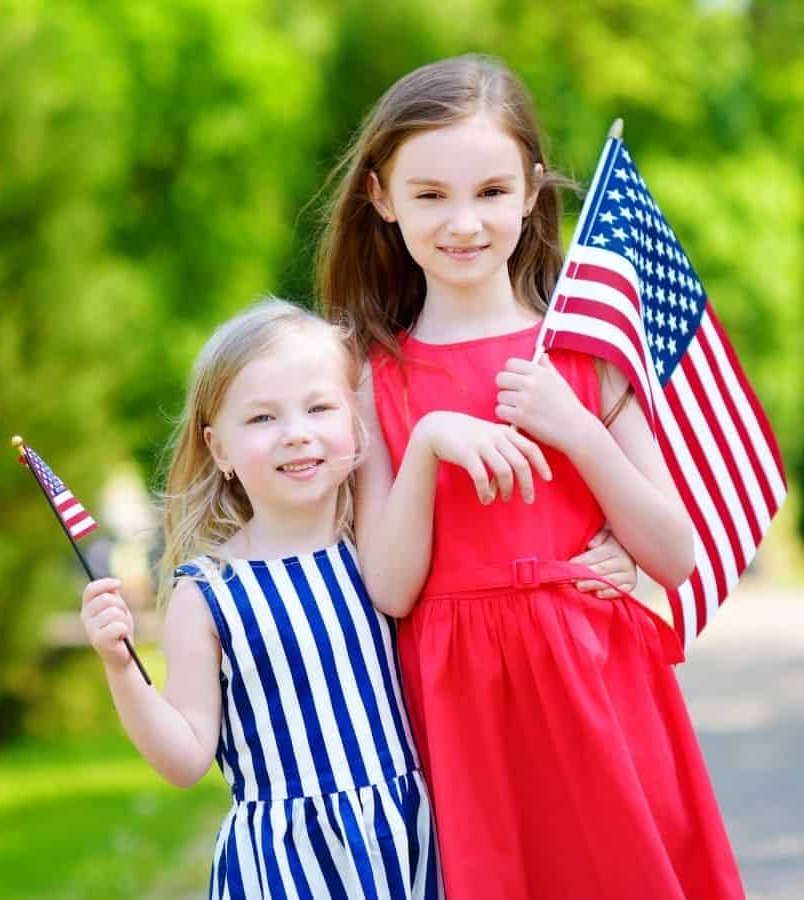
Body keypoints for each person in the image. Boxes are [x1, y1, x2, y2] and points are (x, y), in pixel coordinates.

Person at [317, 54, 744, 899]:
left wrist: (580, 430)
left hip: (600, 686)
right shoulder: (374, 377)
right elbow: (392, 588)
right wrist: (433, 437)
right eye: (430, 194)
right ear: (381, 198)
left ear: (532, 192)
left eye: (490, 192)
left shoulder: (587, 356)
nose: (463, 222)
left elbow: (673, 553)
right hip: (464, 704)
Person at [81, 299, 441, 898]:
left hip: (407, 842)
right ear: (218, 449)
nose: (296, 433)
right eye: (262, 419)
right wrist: (121, 666)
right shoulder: (210, 593)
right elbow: (185, 758)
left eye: (319, 408)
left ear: (357, 421)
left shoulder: (383, 554)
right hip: (286, 866)